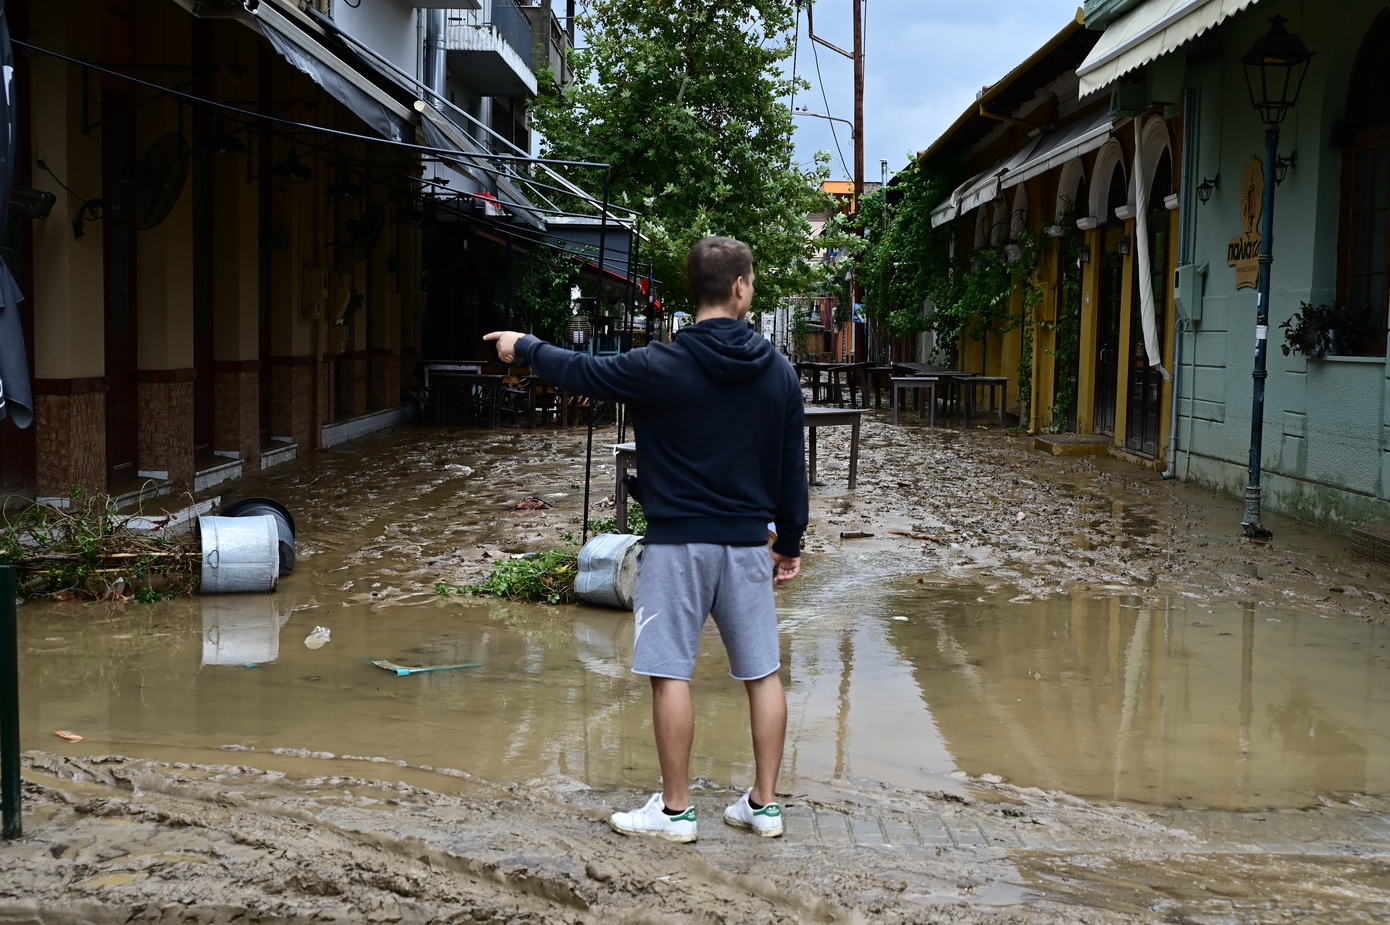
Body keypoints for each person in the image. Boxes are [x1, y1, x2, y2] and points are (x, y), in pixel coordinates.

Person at [485, 236, 807, 843]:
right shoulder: (778, 372)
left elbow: (581, 369)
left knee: (671, 674)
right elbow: (793, 469)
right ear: (740, 287)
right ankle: (764, 807)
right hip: (745, 544)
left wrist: (522, 346)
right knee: (763, 673)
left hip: (675, 544)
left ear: (698, 290)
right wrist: (788, 541)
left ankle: (677, 813)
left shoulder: (658, 364)